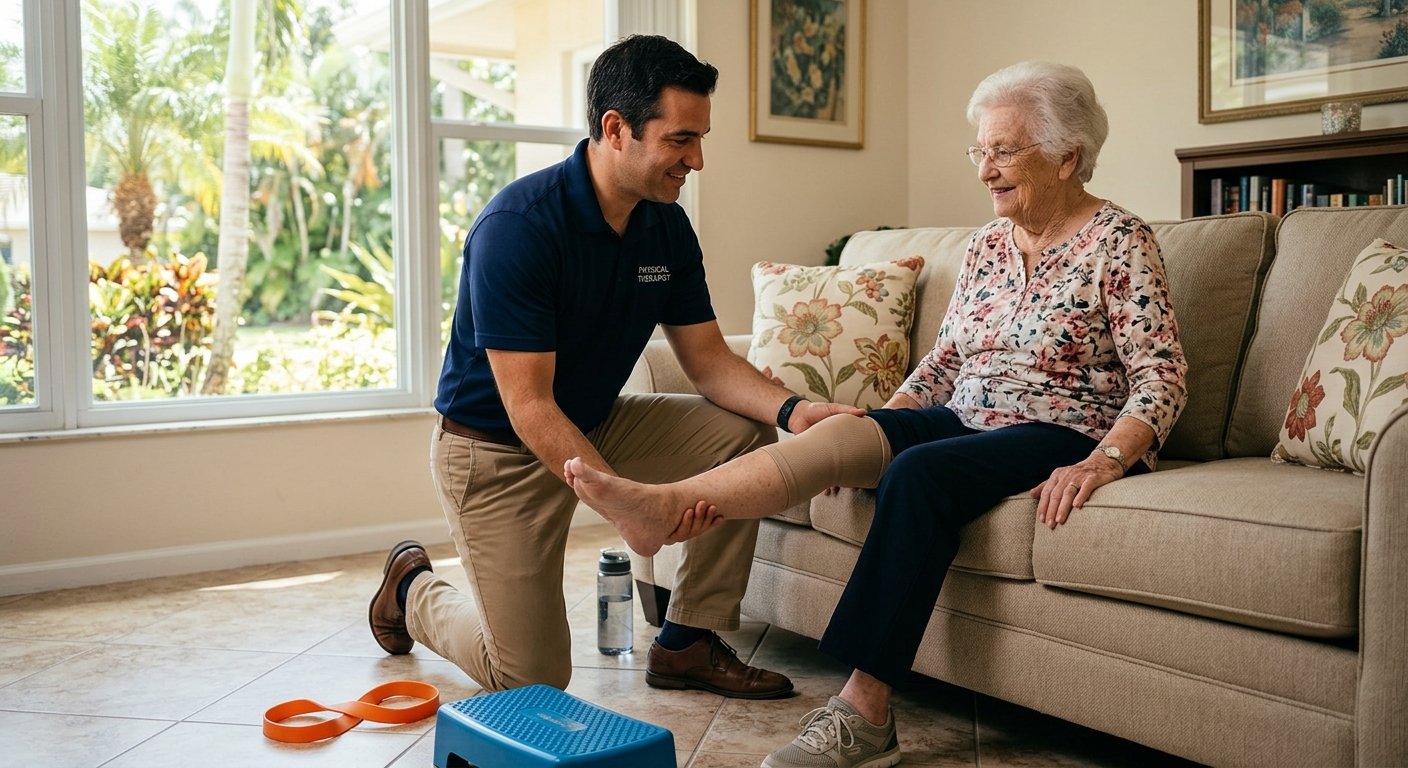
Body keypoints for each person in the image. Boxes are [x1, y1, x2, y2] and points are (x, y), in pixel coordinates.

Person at [563, 60, 1189, 768]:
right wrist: (879, 428)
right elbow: (947, 361)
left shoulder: (1119, 241)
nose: (985, 169)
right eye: (979, 150)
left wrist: (1106, 458)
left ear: (1068, 154)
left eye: (1003, 150)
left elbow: (1161, 377)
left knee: (919, 476)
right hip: (966, 411)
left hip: (1058, 425)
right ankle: (664, 506)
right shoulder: (986, 245)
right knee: (848, 435)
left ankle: (865, 715)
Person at [365, 34, 862, 699]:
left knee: (742, 435)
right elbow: (530, 406)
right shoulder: (518, 227)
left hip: (597, 424)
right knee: (530, 680)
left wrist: (796, 411)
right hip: (496, 453)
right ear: (615, 129)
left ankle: (688, 640)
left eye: (701, 139)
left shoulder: (666, 227)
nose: (698, 160)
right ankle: (413, 589)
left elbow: (709, 361)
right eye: (682, 140)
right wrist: (627, 508)